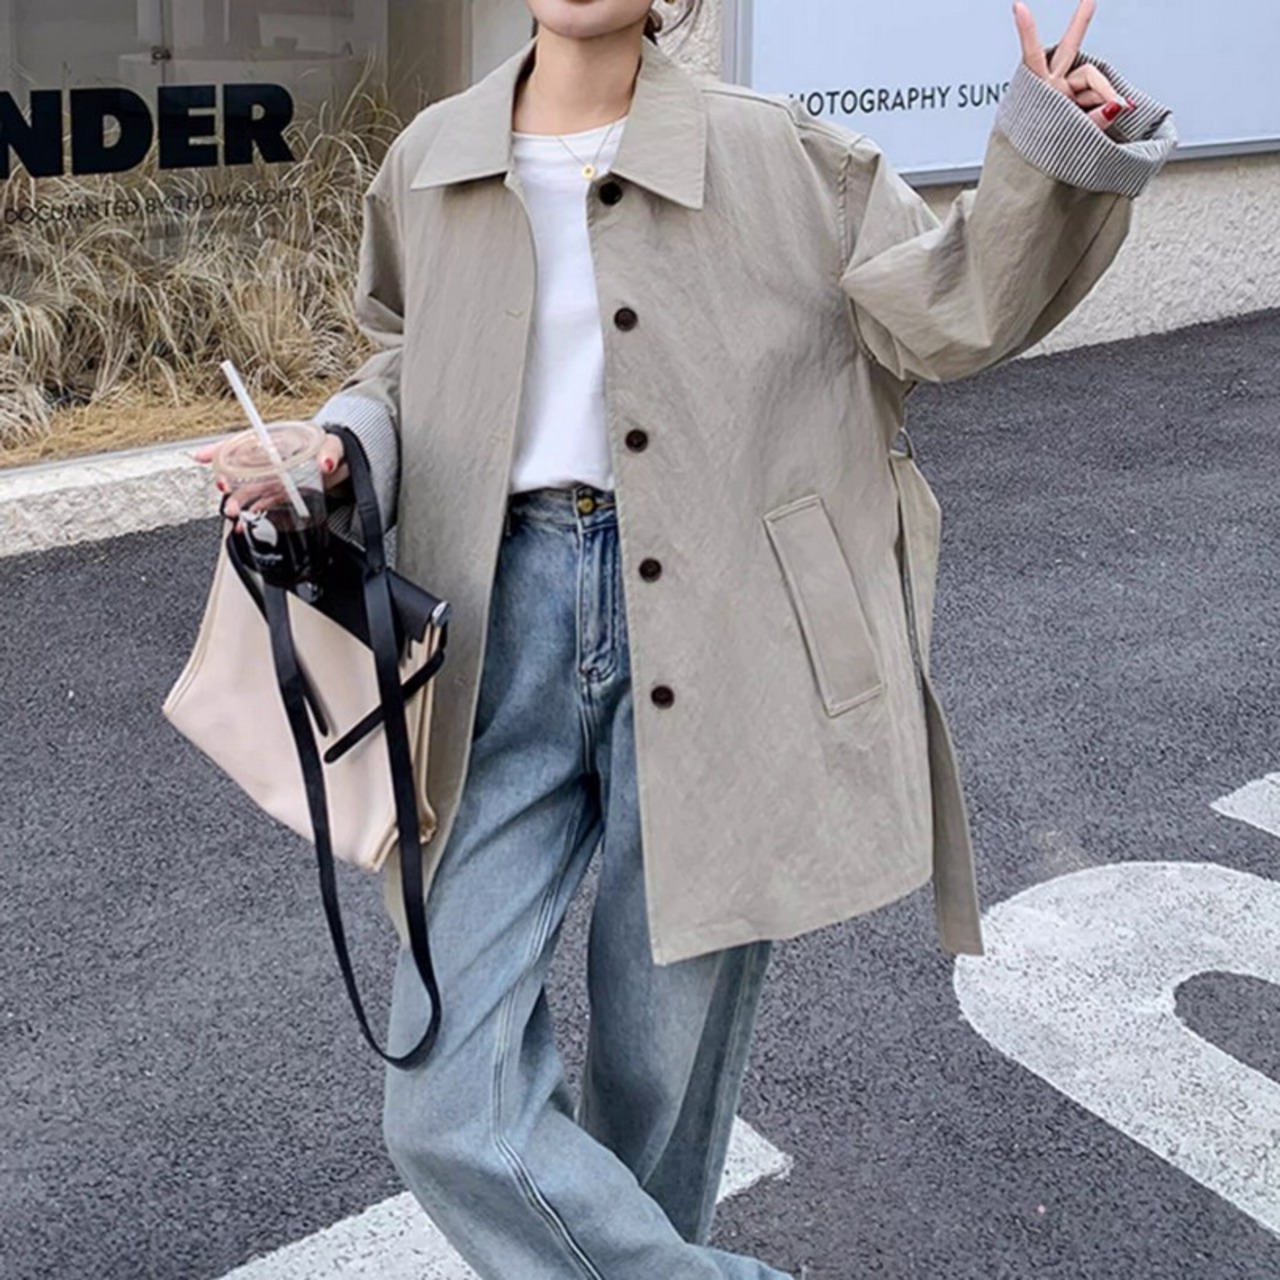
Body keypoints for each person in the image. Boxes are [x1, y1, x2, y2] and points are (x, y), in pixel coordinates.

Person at [200, 1, 1174, 1274]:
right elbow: (403, 357)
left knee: (657, 1095)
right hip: (495, 619)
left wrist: (1046, 148)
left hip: (723, 626)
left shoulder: (783, 154)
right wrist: (337, 444)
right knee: (446, 1108)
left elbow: (946, 312)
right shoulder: (430, 157)